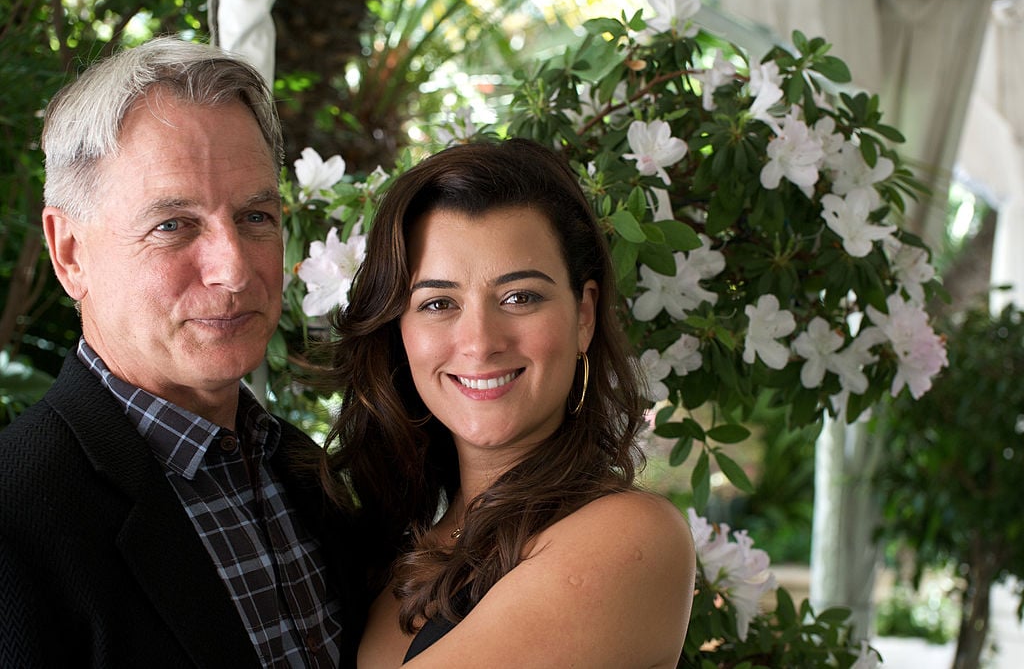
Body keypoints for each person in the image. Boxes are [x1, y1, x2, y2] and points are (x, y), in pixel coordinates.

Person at [0, 37, 366, 667]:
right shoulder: (14, 521)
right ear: (69, 253)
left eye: (256, 216)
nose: (234, 271)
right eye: (173, 224)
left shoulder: (303, 472)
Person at [317, 138, 697, 668]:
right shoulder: (397, 544)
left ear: (583, 315)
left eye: (520, 297)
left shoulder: (631, 539)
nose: (479, 342)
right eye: (438, 303)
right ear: (398, 333)